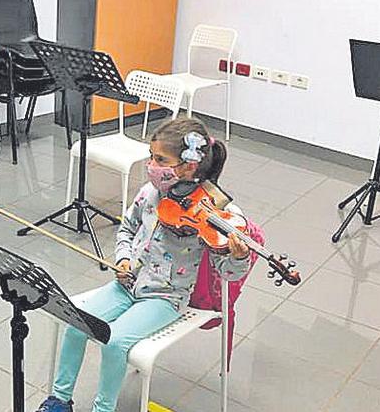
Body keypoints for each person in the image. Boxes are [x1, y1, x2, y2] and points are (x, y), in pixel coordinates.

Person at [36, 117, 253, 412]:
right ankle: (60, 401)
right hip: (126, 285)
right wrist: (123, 258)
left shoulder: (211, 212)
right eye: (152, 156)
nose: (152, 164)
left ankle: (104, 409)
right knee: (76, 324)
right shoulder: (148, 195)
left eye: (161, 159)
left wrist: (239, 256)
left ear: (188, 166)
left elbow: (226, 272)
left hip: (164, 298)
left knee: (115, 342)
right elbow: (126, 229)